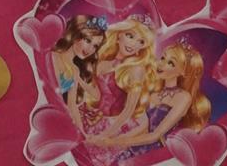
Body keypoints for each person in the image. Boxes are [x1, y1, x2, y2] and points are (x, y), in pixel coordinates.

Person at [94, 40, 211, 160]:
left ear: (182, 71)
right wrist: (113, 139)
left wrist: (114, 142)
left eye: (171, 63)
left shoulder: (183, 97)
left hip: (152, 153)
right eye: (163, 58)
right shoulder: (153, 92)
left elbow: (155, 135)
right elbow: (141, 127)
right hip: (132, 147)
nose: (161, 64)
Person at [74, 17, 157, 165]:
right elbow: (96, 94)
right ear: (119, 35)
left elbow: (129, 109)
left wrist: (106, 135)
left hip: (117, 124)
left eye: (141, 41)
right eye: (130, 36)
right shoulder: (103, 62)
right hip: (95, 117)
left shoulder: (136, 70)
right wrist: (78, 81)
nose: (133, 44)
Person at [51, 15, 107, 122]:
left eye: (95, 46)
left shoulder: (75, 70)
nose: (90, 49)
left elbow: (72, 106)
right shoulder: (54, 57)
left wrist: (80, 130)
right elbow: (52, 95)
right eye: (88, 40)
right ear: (76, 36)